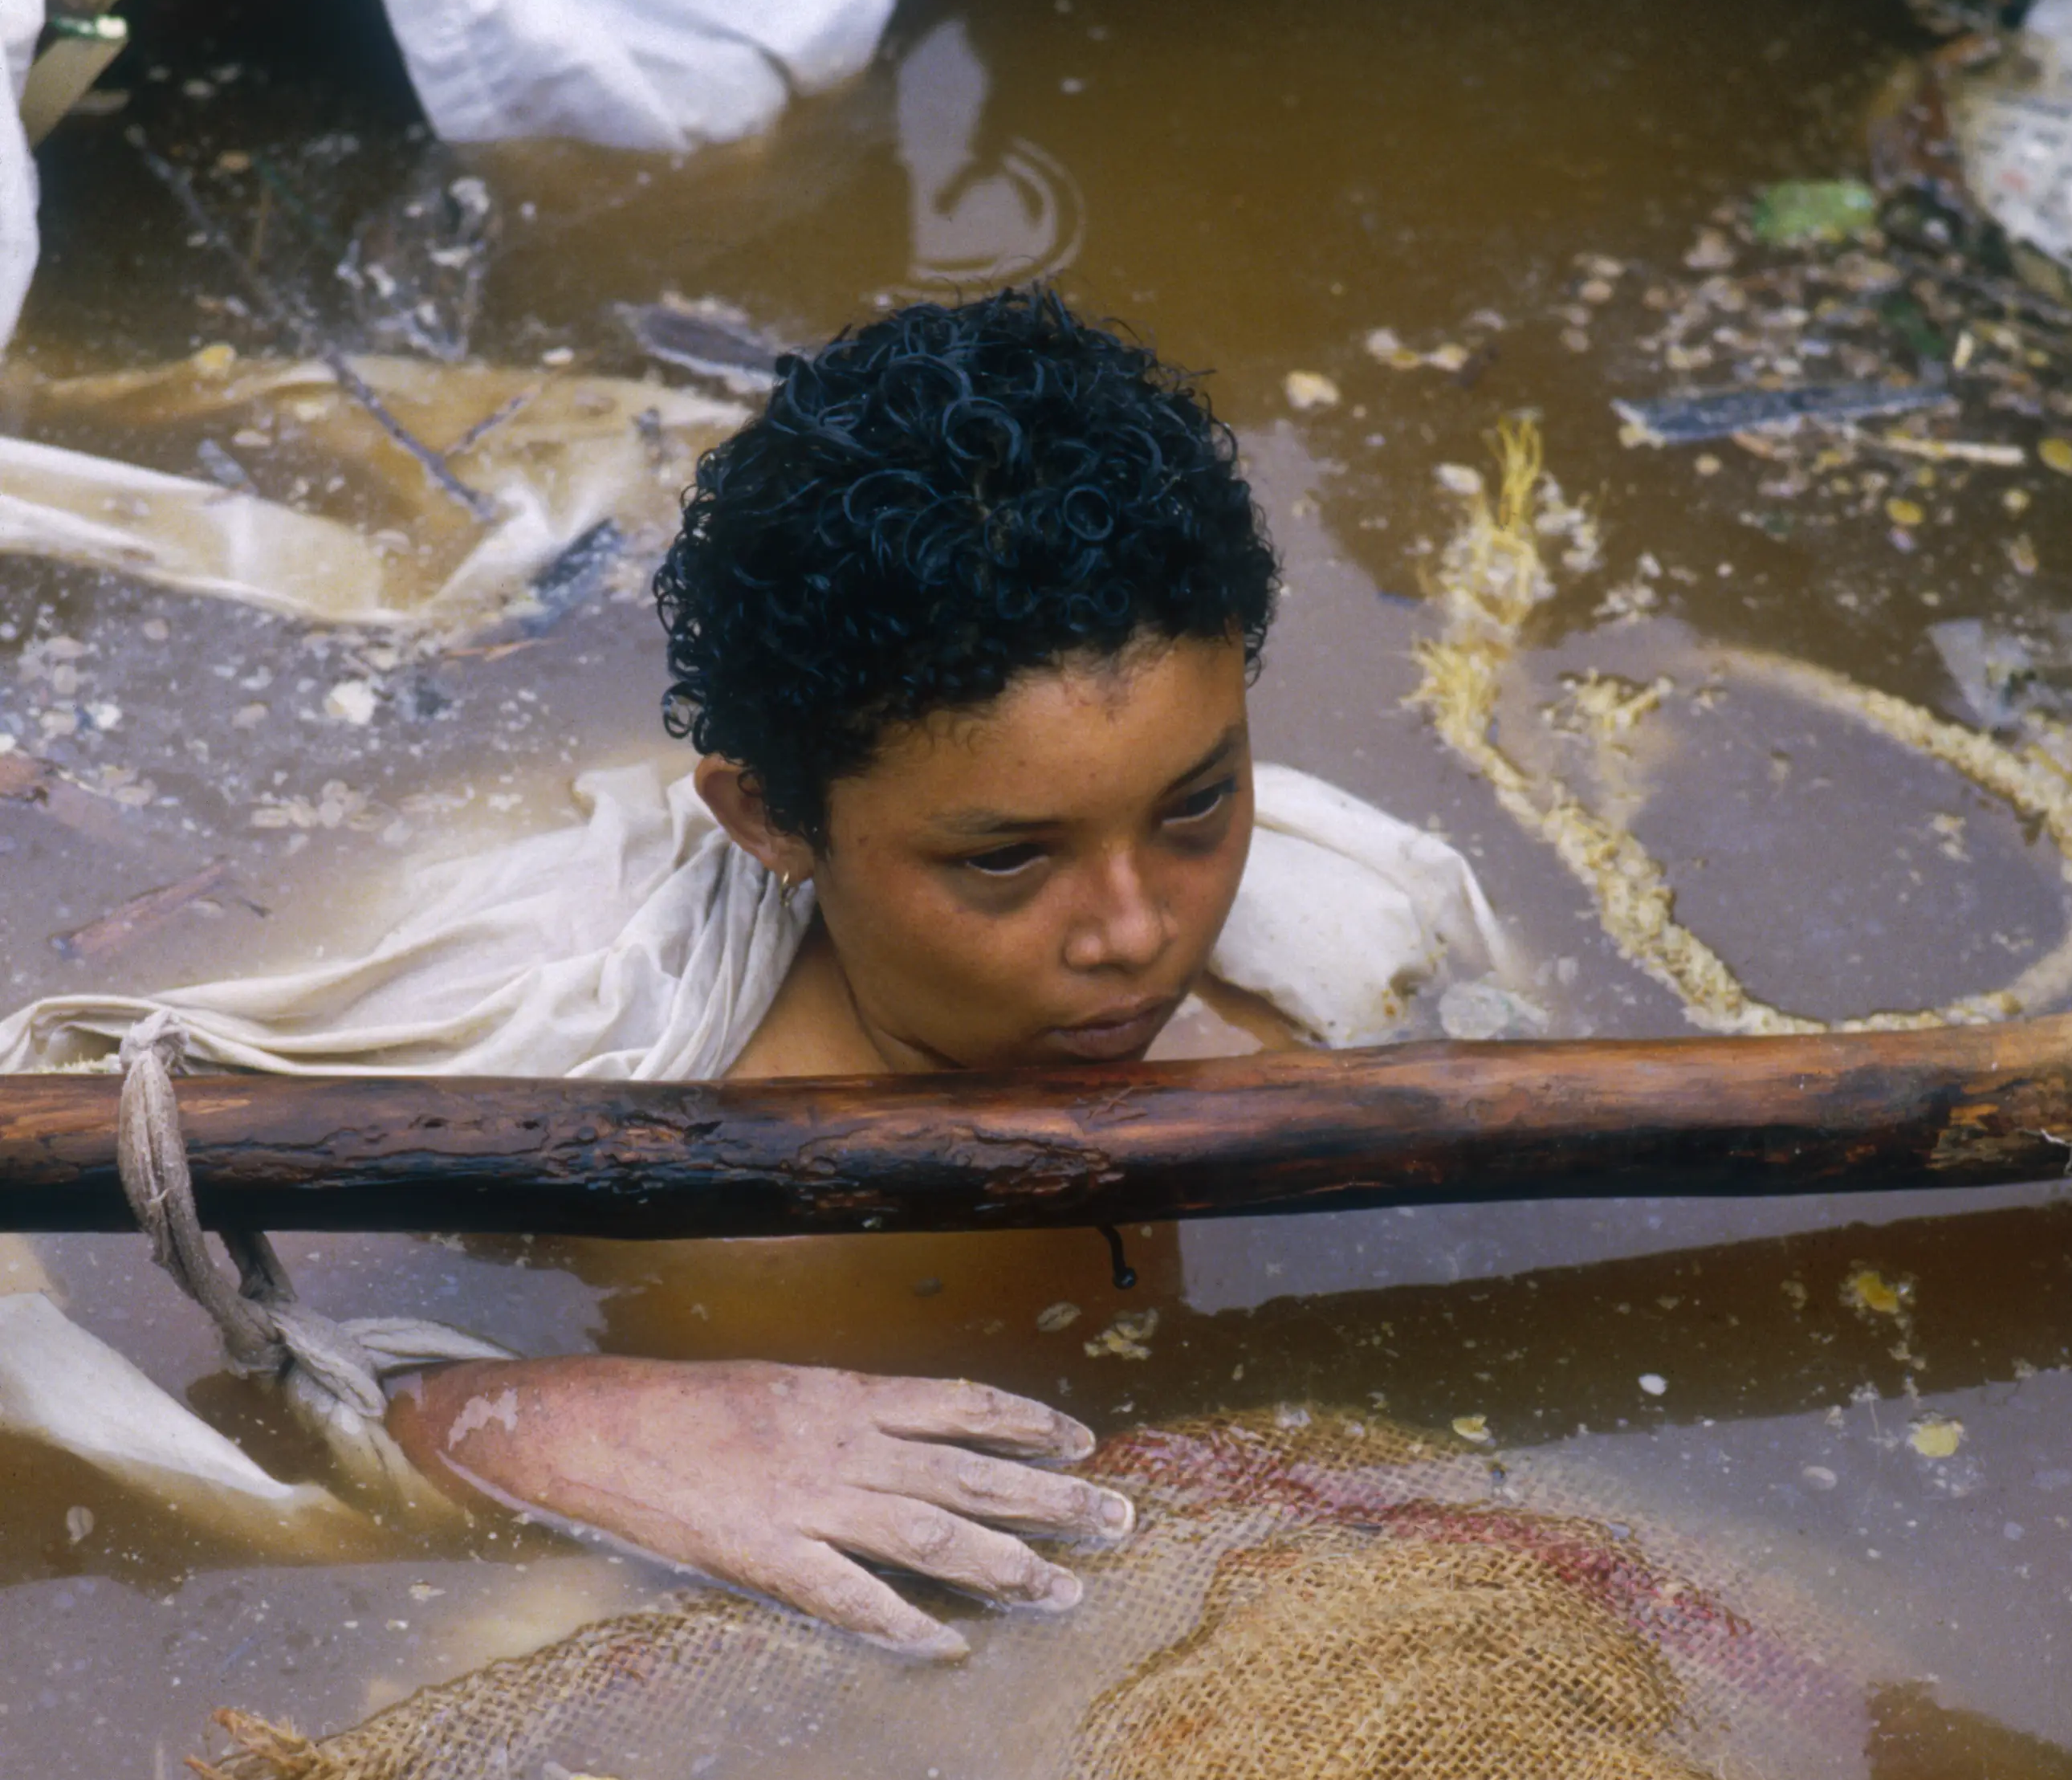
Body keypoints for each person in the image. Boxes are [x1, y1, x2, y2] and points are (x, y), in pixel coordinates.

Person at [0, 288, 1512, 1639]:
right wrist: (527, 1421)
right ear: (773, 815)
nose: (1135, 929)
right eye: (1006, 859)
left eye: (1195, 806)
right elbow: (130, 1319)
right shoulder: (561, 1063)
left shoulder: (1331, 950)